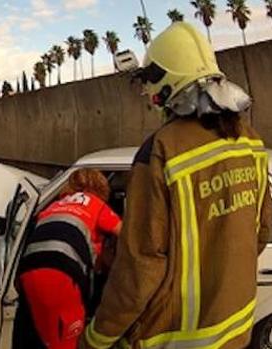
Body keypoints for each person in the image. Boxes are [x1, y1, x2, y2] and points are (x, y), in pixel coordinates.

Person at [84, 22, 272, 349]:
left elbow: (140, 267)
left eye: (150, 82)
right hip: (236, 333)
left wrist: (97, 337)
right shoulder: (250, 142)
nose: (147, 94)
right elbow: (260, 233)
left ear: (168, 85)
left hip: (173, 340)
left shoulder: (161, 150)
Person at [17, 169, 121, 349]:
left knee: (49, 337)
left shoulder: (53, 206)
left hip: (28, 273)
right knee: (70, 340)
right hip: (61, 274)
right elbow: (127, 236)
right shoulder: (96, 204)